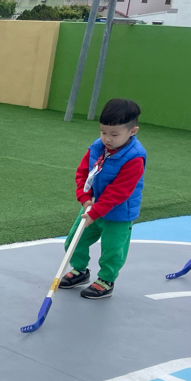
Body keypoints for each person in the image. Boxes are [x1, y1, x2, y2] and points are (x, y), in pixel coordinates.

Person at [58, 98, 145, 300]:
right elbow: (83, 173)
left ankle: (106, 280)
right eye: (103, 132)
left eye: (114, 134)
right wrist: (85, 199)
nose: (107, 139)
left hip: (119, 213)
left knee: (112, 251)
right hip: (92, 207)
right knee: (74, 240)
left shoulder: (134, 158)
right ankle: (80, 270)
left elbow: (119, 192)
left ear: (132, 131)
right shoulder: (97, 148)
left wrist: (95, 211)